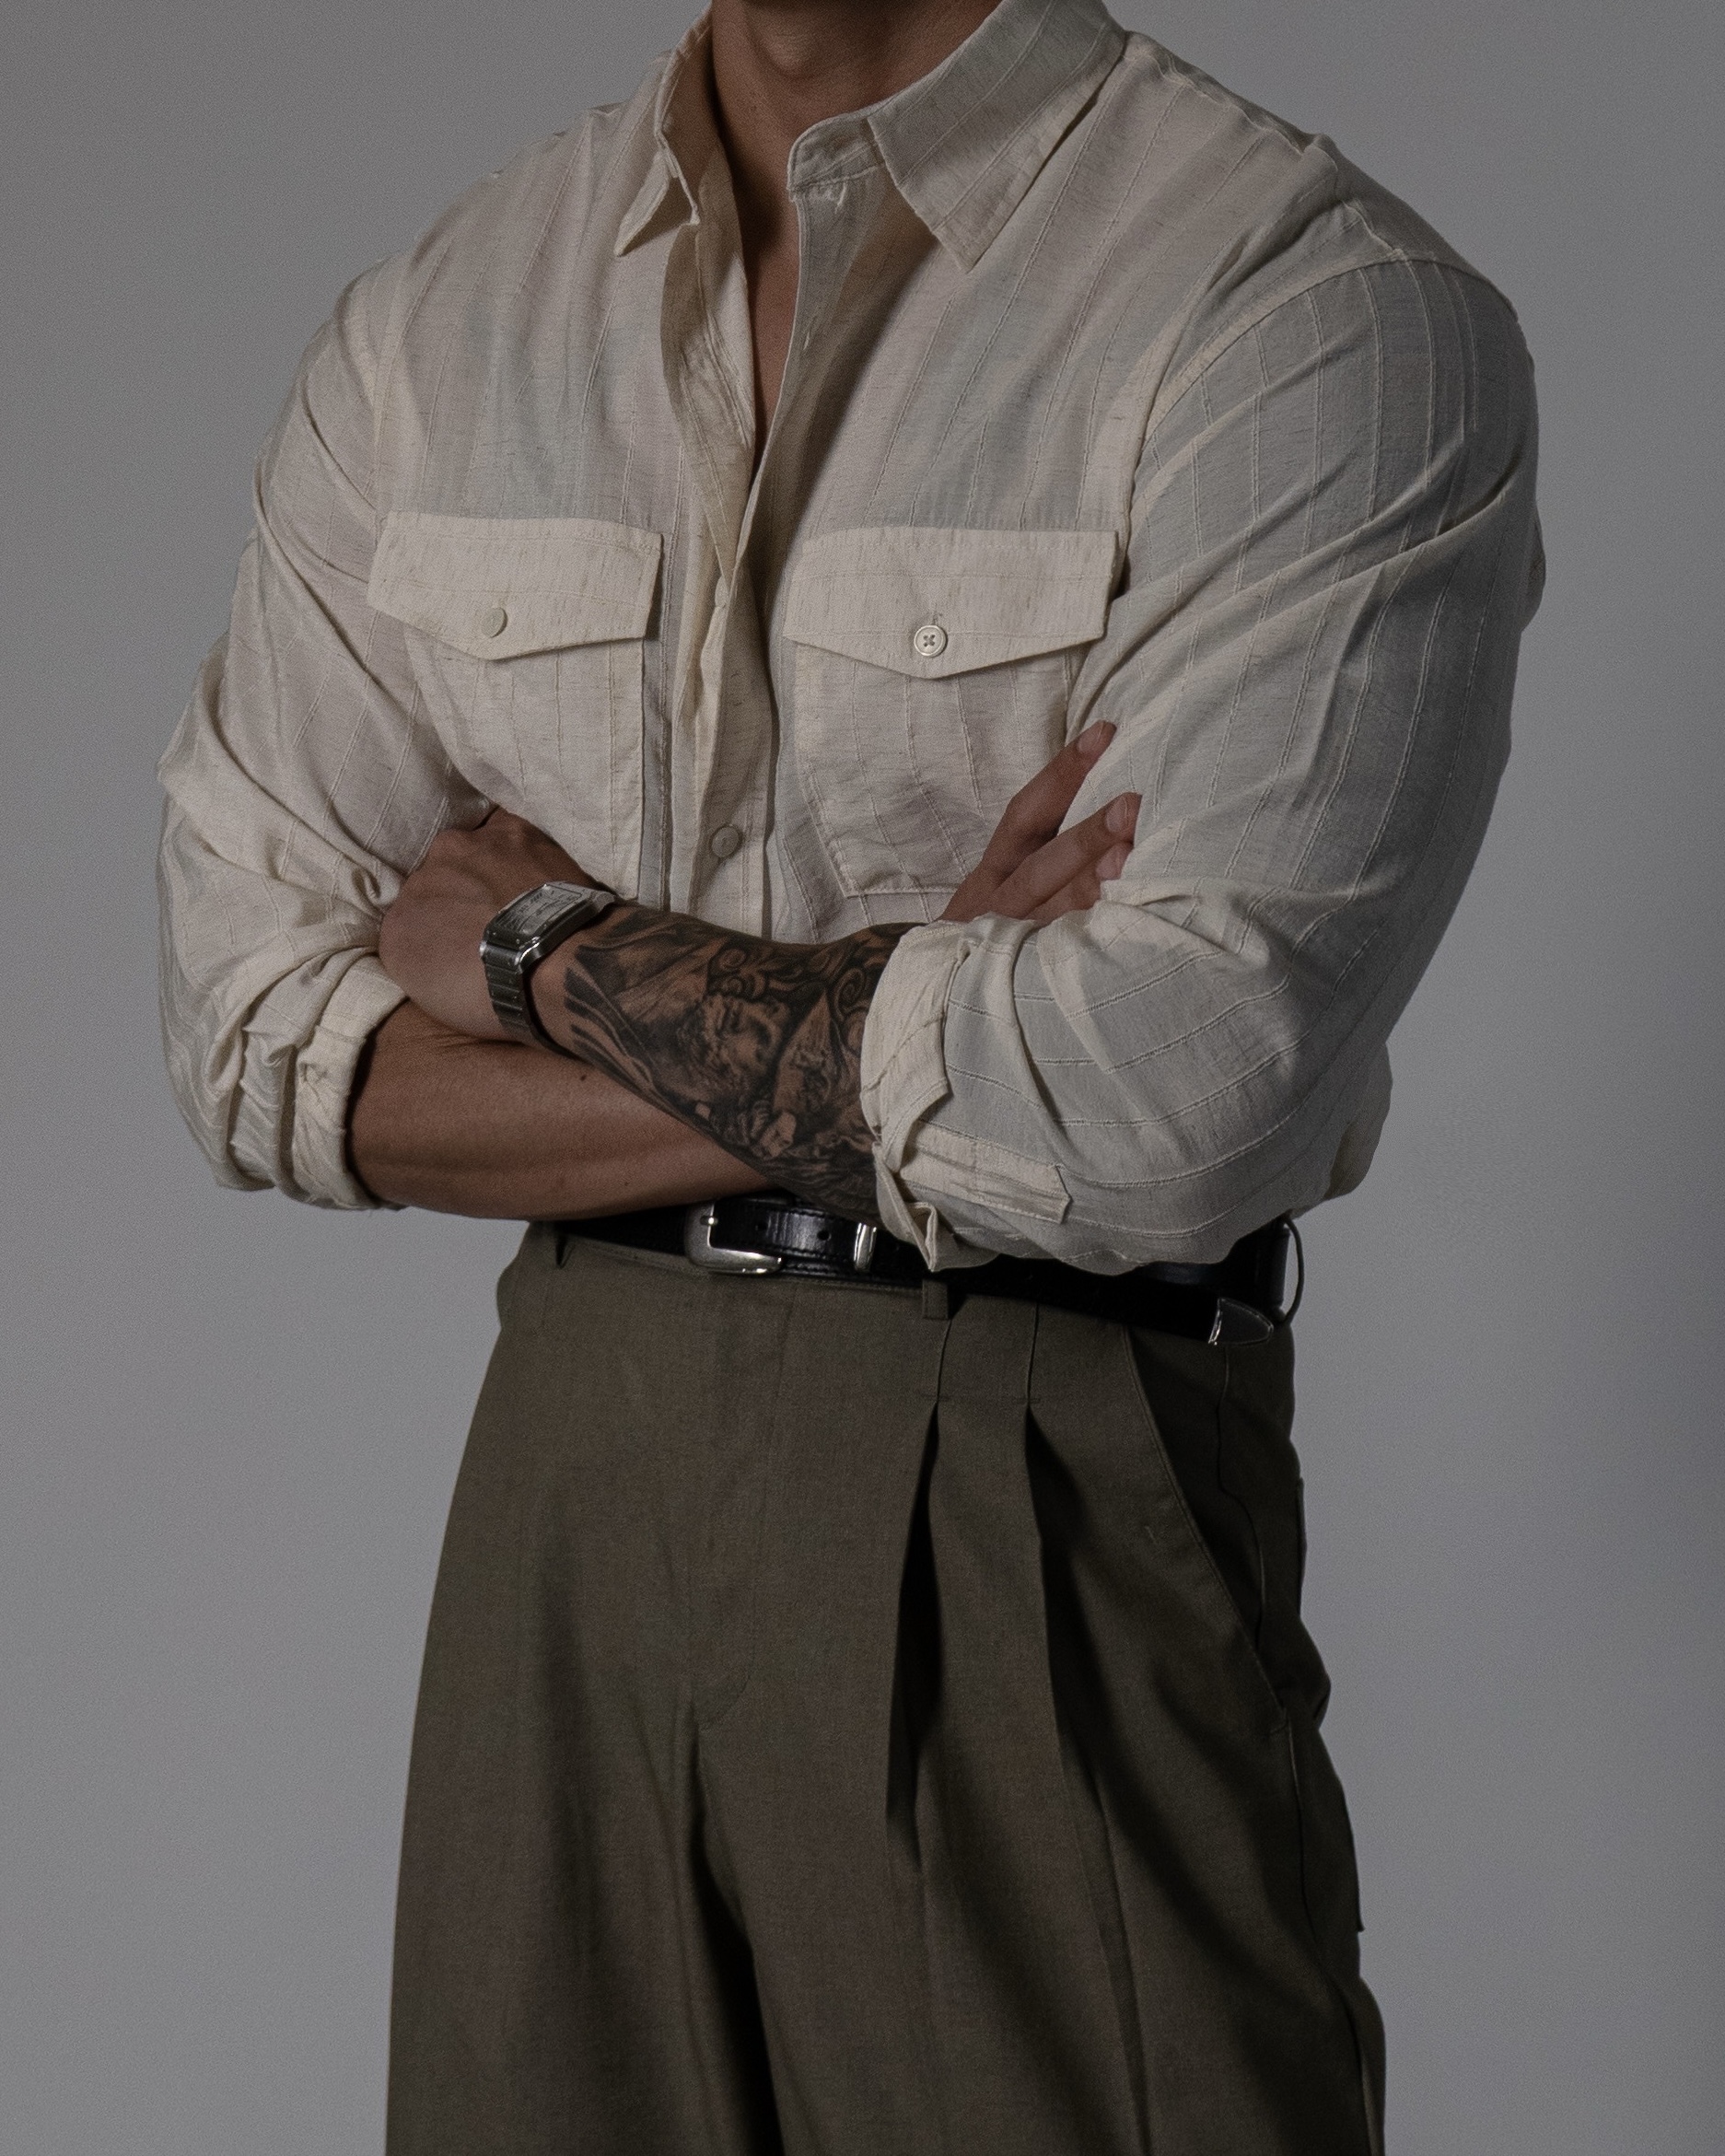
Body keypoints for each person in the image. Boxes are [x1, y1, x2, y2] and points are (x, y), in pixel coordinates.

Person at [157, 0, 1543, 2147]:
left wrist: (543, 953)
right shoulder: (442, 329)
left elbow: (1162, 1102)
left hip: (1027, 1458)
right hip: (573, 1473)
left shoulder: (1295, 300)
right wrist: (928, 1002)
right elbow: (262, 1036)